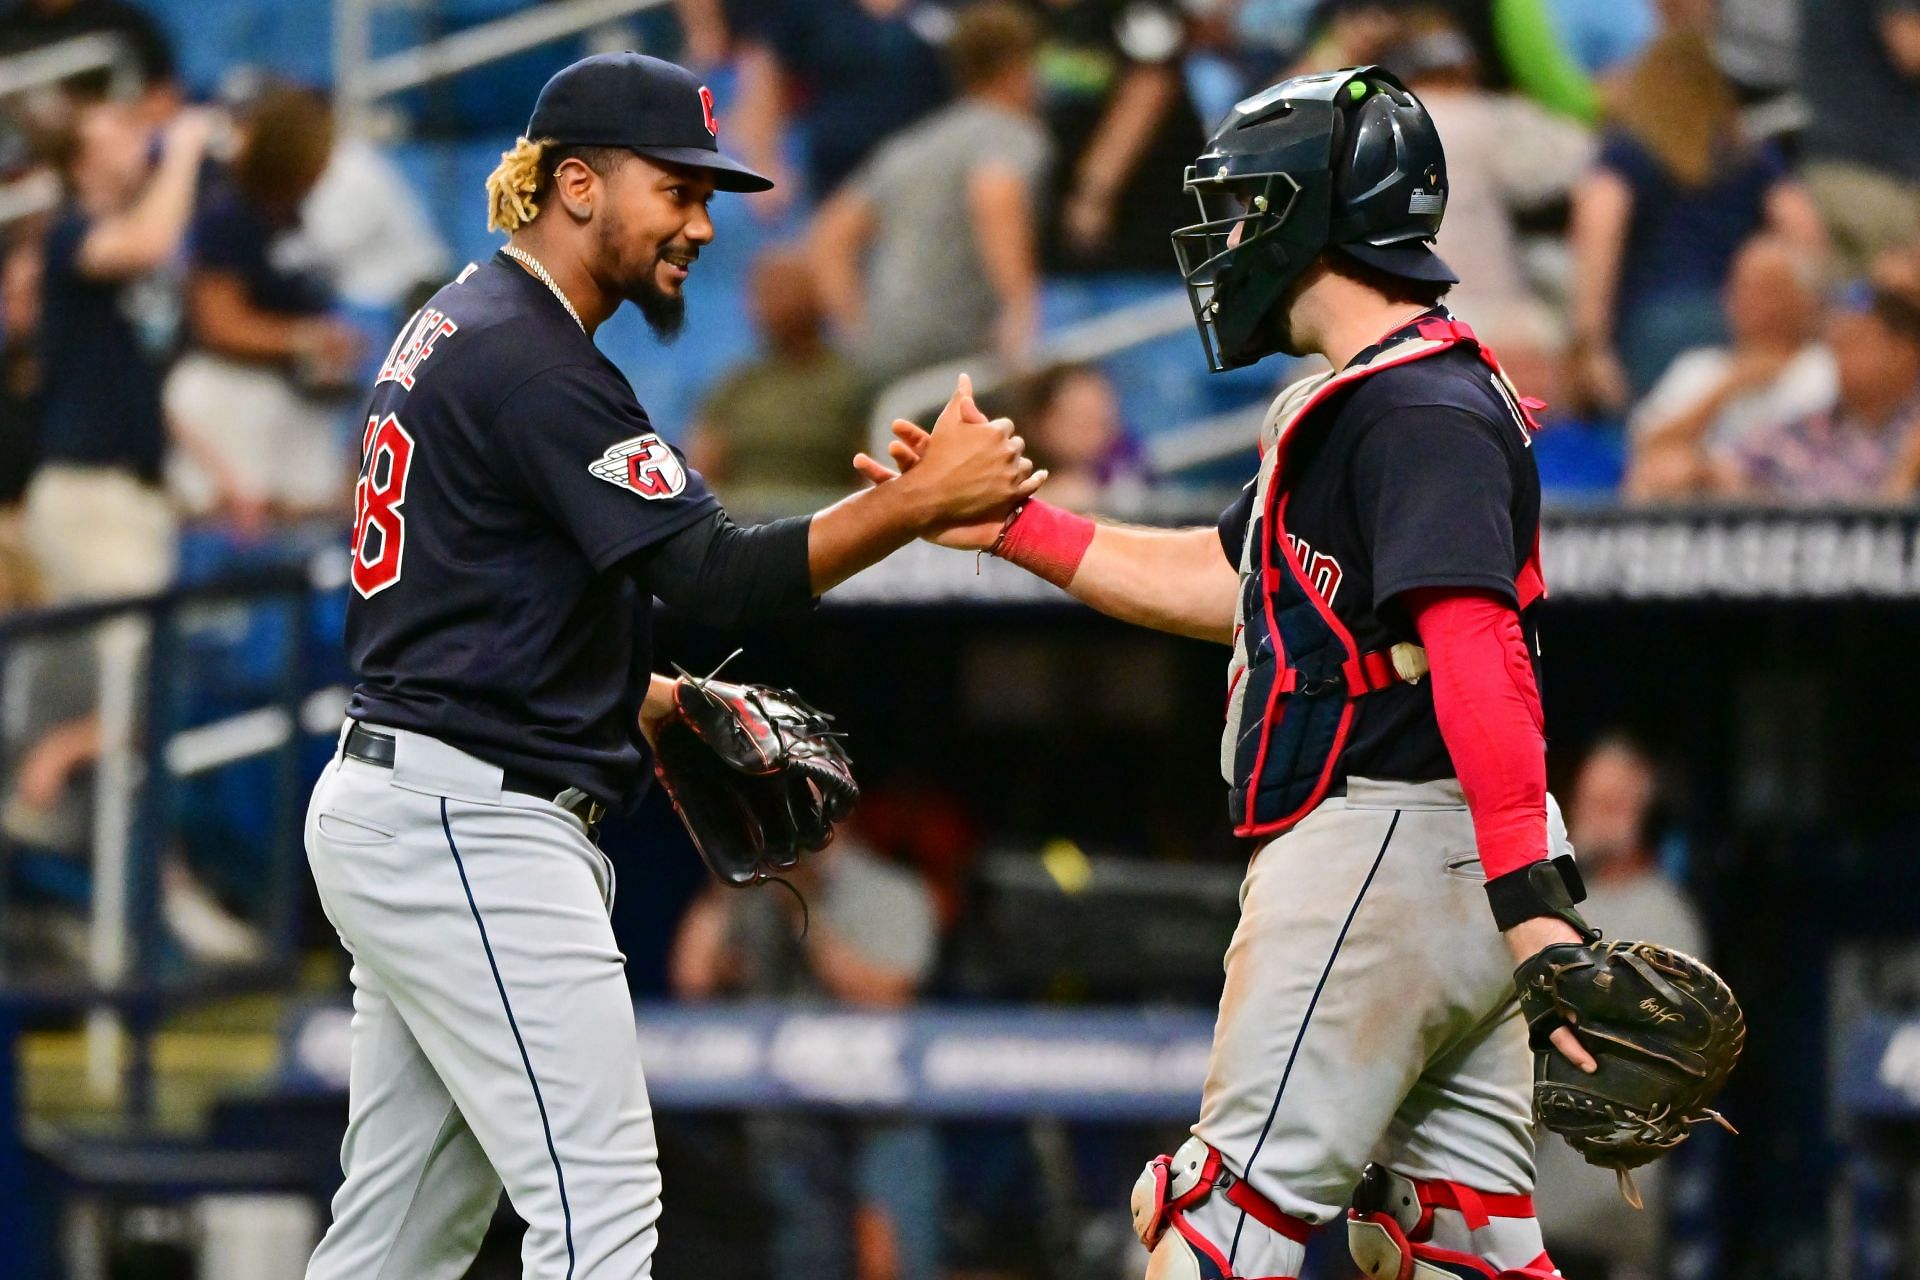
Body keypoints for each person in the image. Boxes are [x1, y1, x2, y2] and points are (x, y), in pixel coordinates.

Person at [301, 52, 1042, 1280]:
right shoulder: (537, 359)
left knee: (396, 1238)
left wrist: (623, 689)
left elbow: (459, 593)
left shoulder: (465, 322)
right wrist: (916, 503)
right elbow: (714, 575)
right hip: (469, 824)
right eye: (678, 189)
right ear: (577, 183)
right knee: (602, 1209)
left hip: (416, 794)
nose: (702, 224)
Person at [864, 66, 1610, 1280]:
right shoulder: (1373, 394)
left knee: (1215, 1221)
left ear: (1322, 214)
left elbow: (1479, 645)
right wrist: (1019, 528)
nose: (1227, 236)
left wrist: (1533, 905)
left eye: (1252, 204)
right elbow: (1246, 594)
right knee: (1462, 1242)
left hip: (1392, 841)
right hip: (1455, 858)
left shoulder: (1415, 405)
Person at [671, 838, 944, 1280]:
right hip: (788, 1117)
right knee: (803, 1260)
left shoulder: (888, 889)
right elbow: (692, 981)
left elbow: (885, 996)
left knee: (893, 1261)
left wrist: (803, 907)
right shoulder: (751, 891)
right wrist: (727, 876)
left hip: (879, 1112)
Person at [1568, 28, 1825, 408]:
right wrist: (1810, 314)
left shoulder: (1628, 155)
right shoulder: (1747, 156)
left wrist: (1591, 342)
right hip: (1733, 318)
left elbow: (1599, 233)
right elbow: (1805, 229)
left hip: (1651, 324)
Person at [1531, 735, 1705, 1280]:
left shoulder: (1666, 918)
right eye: (1585, 801)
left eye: (1611, 804)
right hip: (1525, 1197)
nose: (1589, 818)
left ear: (1644, 816)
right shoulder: (1557, 905)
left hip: (1601, 1205)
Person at [24, 98, 209, 601]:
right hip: (90, 488)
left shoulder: (114, 248)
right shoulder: (67, 234)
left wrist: (220, 472)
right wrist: (182, 153)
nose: (138, 140)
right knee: (115, 657)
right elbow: (151, 242)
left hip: (136, 490)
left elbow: (141, 381)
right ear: (82, 162)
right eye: (118, 134)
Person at [810, 1, 1049, 382]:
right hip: (963, 345)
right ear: (1020, 68)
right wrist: (1020, 309)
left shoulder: (913, 145)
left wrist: (857, 336)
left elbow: (829, 236)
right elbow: (995, 195)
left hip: (889, 346)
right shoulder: (1011, 133)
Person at [164, 85, 361, 527]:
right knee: (233, 528)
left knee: (309, 525)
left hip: (291, 394)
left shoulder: (294, 216)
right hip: (227, 392)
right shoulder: (228, 214)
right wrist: (304, 338)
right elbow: (218, 323)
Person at [1625, 233, 1835, 501]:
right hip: (1700, 515)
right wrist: (1726, 389)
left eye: (1767, 291)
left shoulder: (1825, 369)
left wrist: (1734, 476)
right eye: (1741, 288)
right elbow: (1645, 449)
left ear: (1806, 300)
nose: (1749, 302)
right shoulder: (1698, 367)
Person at [724, 0, 956, 218]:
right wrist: (765, 165)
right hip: (838, 168)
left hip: (931, 168)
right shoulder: (813, 9)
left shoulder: (950, 8)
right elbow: (768, 81)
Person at [684, 246, 871, 510]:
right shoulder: (739, 384)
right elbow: (701, 470)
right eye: (761, 293)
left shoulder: (851, 384)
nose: (767, 303)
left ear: (815, 295)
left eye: (781, 288)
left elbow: (871, 473)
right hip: (743, 527)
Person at [1034, 0, 1209, 274]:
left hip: (1145, 221)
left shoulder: (1136, 8)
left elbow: (1150, 85)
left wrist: (1094, 193)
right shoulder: (1030, 13)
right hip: (1058, 229)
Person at [1717, 288, 1920, 502]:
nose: (1842, 356)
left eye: (1856, 342)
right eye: (1837, 344)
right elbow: (1720, 471)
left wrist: (1905, 475)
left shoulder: (1913, 433)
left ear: (1905, 352)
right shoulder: (1803, 432)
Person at [1798, 0, 1920, 279]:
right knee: (1897, 303)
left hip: (1827, 172)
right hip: (1882, 178)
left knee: (1847, 307)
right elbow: (1911, 46)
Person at [1007, 361, 1146, 512]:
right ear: (1041, 423)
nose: (1097, 431)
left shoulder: (1125, 454)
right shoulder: (1016, 477)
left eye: (1103, 418)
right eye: (1082, 419)